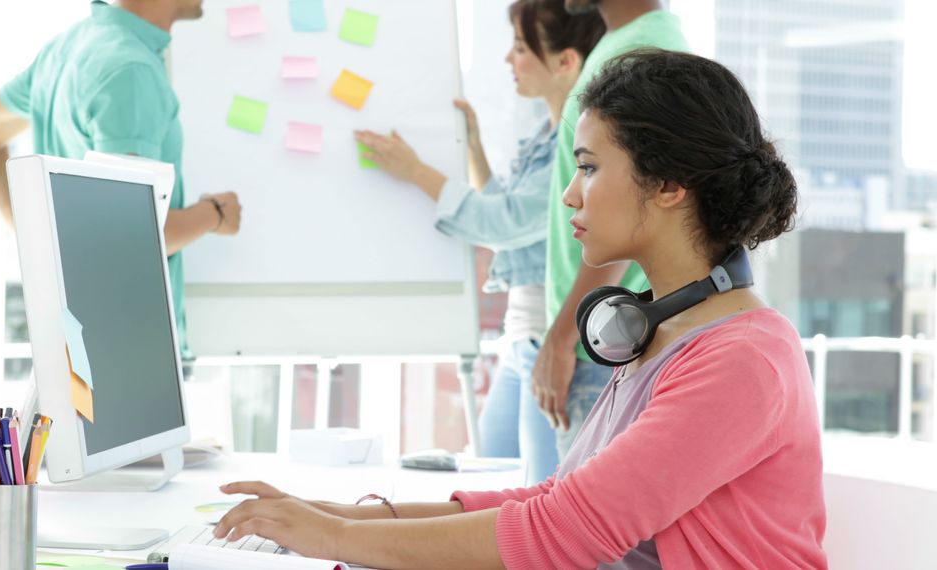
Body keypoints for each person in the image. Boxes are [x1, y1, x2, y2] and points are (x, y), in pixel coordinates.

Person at [210, 49, 828, 569]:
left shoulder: (742, 357)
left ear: (669, 184)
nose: (569, 193)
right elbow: (556, 498)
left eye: (588, 167)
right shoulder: (668, 325)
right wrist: (336, 515)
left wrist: (334, 539)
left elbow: (562, 531)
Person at [352, 0, 605, 485]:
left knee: (537, 496)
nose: (508, 62)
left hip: (550, 342)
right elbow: (505, 212)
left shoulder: (575, 147)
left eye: (519, 49)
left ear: (566, 62)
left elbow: (504, 222)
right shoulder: (543, 134)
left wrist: (416, 173)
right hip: (522, 338)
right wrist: (472, 148)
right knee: (494, 478)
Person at [0, 0, 240, 360]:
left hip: (89, 338)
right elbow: (129, 238)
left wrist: (42, 240)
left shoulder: (71, 47)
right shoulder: (130, 71)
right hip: (128, 349)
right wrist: (212, 214)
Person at [534, 0, 689, 460]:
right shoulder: (622, 40)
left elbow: (632, 207)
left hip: (601, 343)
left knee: (572, 527)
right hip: (598, 337)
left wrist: (564, 337)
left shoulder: (645, 50)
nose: (572, 193)